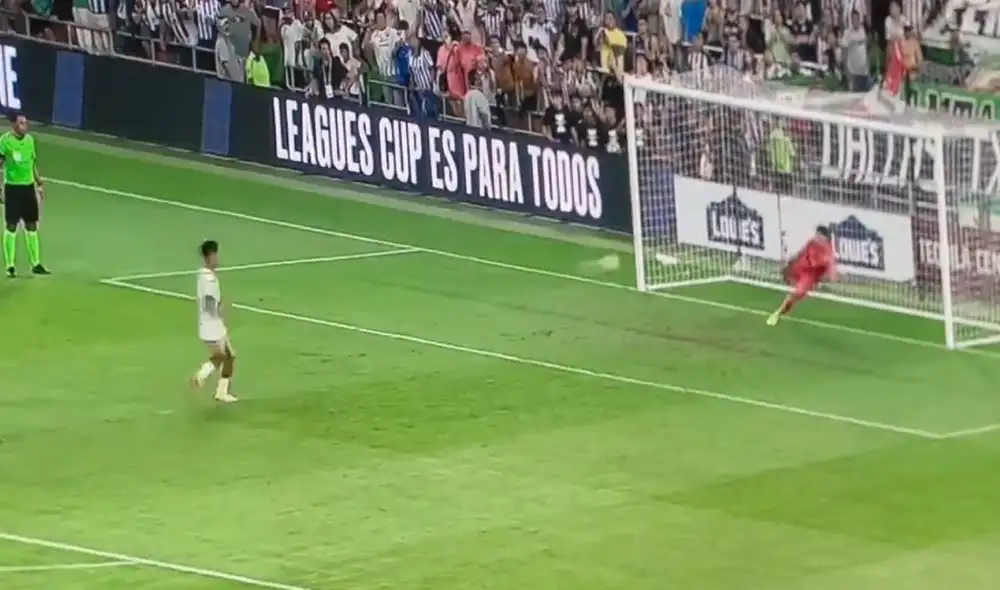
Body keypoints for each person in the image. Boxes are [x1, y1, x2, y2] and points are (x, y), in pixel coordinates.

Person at [0, 113, 48, 278]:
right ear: (14, 124)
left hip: (28, 188)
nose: (25, 126)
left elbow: (32, 164)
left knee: (31, 224)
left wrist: (39, 183)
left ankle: (36, 264)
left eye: (26, 123)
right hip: (12, 188)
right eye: (21, 123)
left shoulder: (29, 141)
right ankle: (10, 266)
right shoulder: (5, 141)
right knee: (11, 226)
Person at [191, 240, 239, 403]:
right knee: (221, 356)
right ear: (210, 256)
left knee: (229, 356)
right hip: (211, 325)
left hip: (213, 324)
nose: (218, 259)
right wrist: (221, 307)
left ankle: (221, 391)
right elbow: (210, 304)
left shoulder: (204, 275)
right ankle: (201, 375)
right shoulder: (209, 280)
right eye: (216, 255)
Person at [767, 226, 837, 326]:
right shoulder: (811, 242)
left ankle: (778, 312)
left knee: (796, 294)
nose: (816, 238)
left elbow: (821, 264)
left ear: (825, 238)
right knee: (787, 277)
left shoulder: (827, 251)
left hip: (809, 275)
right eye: (816, 235)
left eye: (819, 236)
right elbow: (801, 253)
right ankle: (783, 304)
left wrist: (829, 275)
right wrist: (790, 262)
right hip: (800, 267)